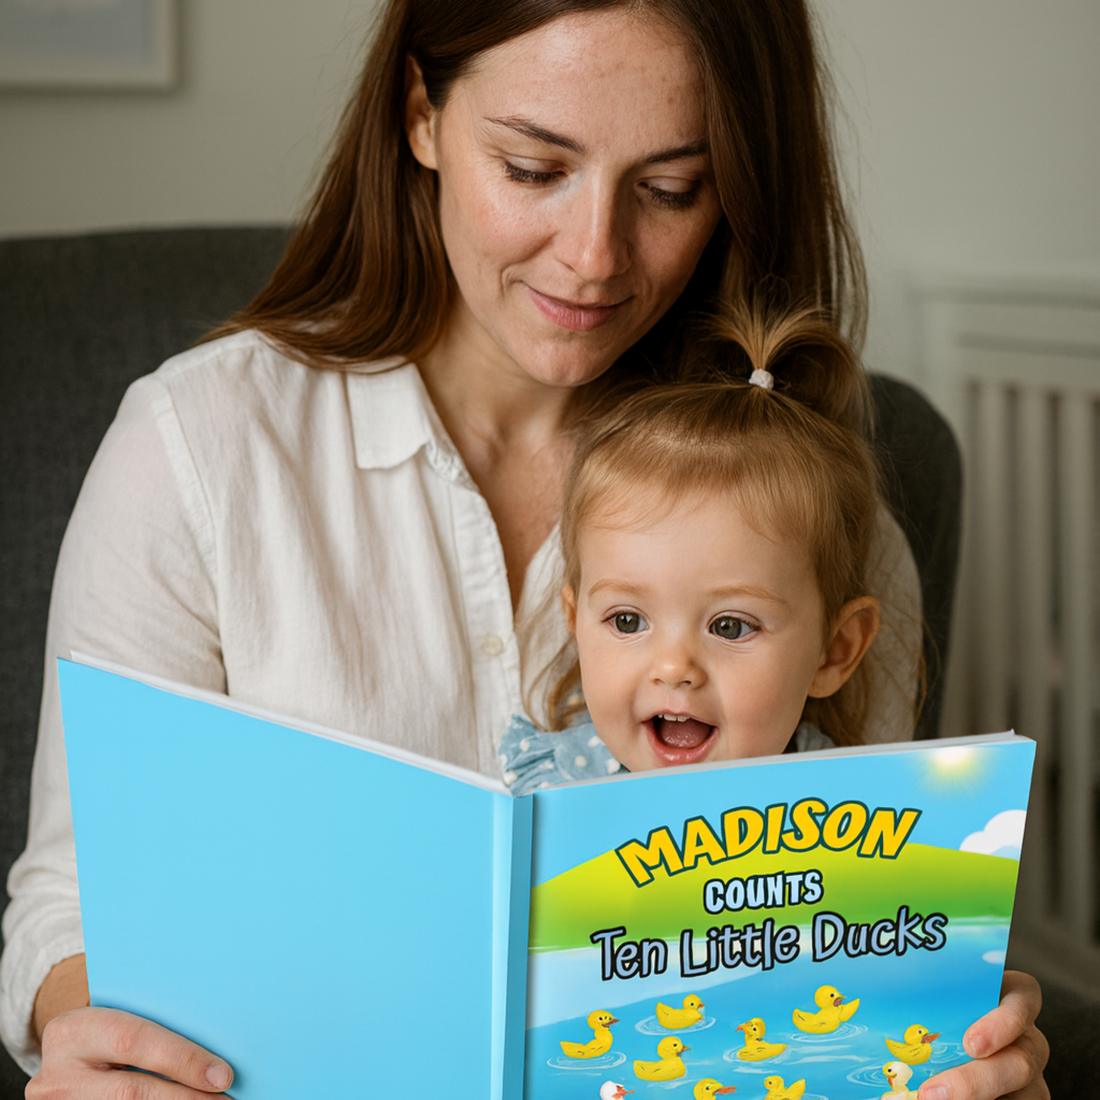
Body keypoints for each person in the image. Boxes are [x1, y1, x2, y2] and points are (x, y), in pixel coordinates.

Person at [0, 0, 1047, 1097]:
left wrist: (956, 1044)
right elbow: (72, 898)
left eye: (669, 188)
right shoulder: (199, 446)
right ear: (421, 114)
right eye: (533, 168)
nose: (593, 257)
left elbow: (858, 933)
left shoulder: (817, 527)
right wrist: (98, 1038)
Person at [499, 303, 883, 797]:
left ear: (835, 650)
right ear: (576, 625)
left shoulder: (851, 807)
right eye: (627, 621)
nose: (674, 668)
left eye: (730, 627)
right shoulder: (553, 790)